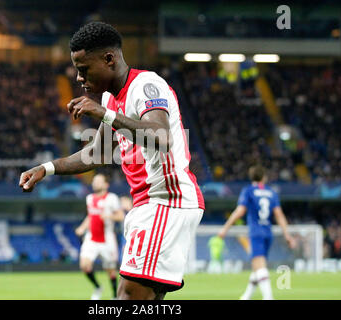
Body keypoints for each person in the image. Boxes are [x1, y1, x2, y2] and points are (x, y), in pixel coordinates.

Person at [19, 21, 205, 300]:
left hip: (167, 200)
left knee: (127, 296)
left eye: (83, 70)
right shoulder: (110, 97)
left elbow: (161, 136)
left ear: (109, 59)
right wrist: (47, 168)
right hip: (149, 205)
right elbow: (97, 153)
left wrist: (104, 114)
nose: (79, 79)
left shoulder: (146, 85)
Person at [218, 165, 295, 300]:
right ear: (264, 177)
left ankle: (268, 297)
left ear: (251, 177)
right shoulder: (271, 192)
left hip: (256, 232)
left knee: (259, 266)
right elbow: (279, 214)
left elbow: (240, 211)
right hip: (267, 233)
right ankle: (246, 296)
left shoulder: (248, 191)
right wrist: (287, 234)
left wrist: (225, 228)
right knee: (257, 266)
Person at [75, 174, 124, 300]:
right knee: (84, 265)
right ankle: (97, 287)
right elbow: (90, 216)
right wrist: (82, 227)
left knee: (111, 271)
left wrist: (109, 216)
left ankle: (114, 296)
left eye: (98, 181)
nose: (95, 183)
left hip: (107, 239)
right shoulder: (89, 198)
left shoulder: (112, 198)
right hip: (91, 238)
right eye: (94, 181)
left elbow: (120, 216)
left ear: (106, 184)